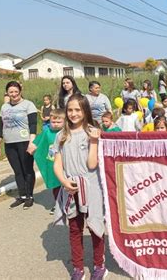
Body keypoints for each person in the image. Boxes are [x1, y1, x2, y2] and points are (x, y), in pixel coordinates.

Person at [52, 94, 107, 279]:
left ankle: (100, 265)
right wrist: (64, 181)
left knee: (95, 226)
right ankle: (78, 267)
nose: (73, 114)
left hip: (91, 187)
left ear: (85, 111)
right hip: (70, 187)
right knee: (75, 228)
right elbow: (57, 163)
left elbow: (92, 164)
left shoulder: (93, 132)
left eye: (77, 109)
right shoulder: (61, 135)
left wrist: (93, 141)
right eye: (70, 110)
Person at [0, 81, 38, 209]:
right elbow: (0, 127)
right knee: (17, 171)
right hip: (9, 144)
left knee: (27, 170)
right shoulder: (4, 107)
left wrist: (32, 142)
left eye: (15, 91)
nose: (13, 94)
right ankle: (22, 195)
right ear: (7, 93)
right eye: (10, 92)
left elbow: (33, 125)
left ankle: (30, 196)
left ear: (20, 91)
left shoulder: (28, 105)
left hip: (24, 142)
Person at [27, 108, 65, 214]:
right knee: (55, 185)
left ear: (65, 121)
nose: (56, 124)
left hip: (65, 163)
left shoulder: (66, 132)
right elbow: (38, 141)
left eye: (59, 122)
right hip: (52, 163)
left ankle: (66, 203)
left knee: (65, 185)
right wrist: (32, 146)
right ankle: (58, 203)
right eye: (53, 122)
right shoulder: (47, 132)